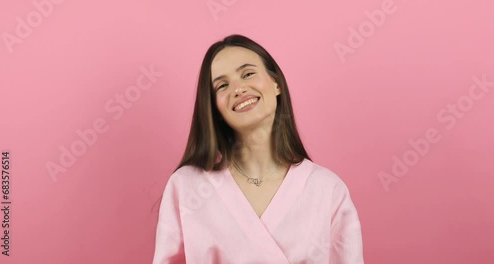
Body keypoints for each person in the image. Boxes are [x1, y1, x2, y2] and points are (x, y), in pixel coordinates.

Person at [152, 34, 364, 263]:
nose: (238, 88)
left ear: (276, 84)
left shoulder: (327, 189)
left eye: (248, 74)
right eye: (222, 85)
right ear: (214, 108)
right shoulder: (186, 186)